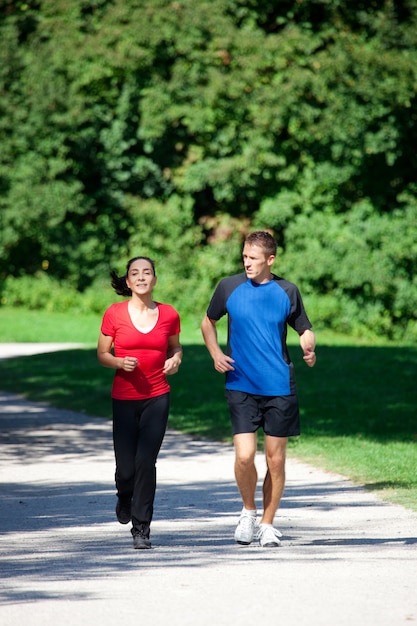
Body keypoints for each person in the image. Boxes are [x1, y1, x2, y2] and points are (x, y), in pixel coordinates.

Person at [201, 231, 316, 548]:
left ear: (270, 259)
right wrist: (215, 353)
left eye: (252, 258)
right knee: (245, 456)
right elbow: (208, 322)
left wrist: (308, 347)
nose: (246, 263)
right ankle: (248, 511)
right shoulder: (229, 287)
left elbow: (304, 327)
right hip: (241, 383)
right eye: (244, 257)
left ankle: (267, 523)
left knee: (276, 461)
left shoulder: (287, 291)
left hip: (279, 385)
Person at [97, 256, 182, 549]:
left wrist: (176, 359)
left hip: (157, 396)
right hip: (124, 398)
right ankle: (124, 494)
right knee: (126, 470)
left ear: (154, 280)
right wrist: (119, 362)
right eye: (136, 273)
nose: (142, 277)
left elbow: (175, 347)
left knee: (146, 461)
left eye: (147, 272)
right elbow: (102, 354)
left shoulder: (169, 314)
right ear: (129, 281)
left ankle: (141, 528)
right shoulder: (114, 314)